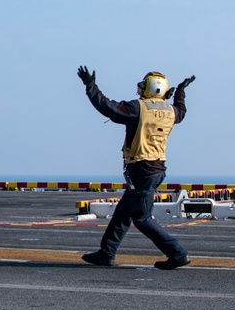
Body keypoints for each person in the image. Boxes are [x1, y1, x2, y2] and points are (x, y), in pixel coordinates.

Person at [76, 66, 196, 270]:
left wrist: (90, 85)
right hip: (156, 168)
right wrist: (181, 91)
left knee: (142, 218)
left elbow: (107, 107)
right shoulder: (172, 111)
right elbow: (181, 110)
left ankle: (177, 253)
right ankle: (107, 252)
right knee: (124, 213)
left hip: (142, 168)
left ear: (148, 88)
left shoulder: (137, 108)